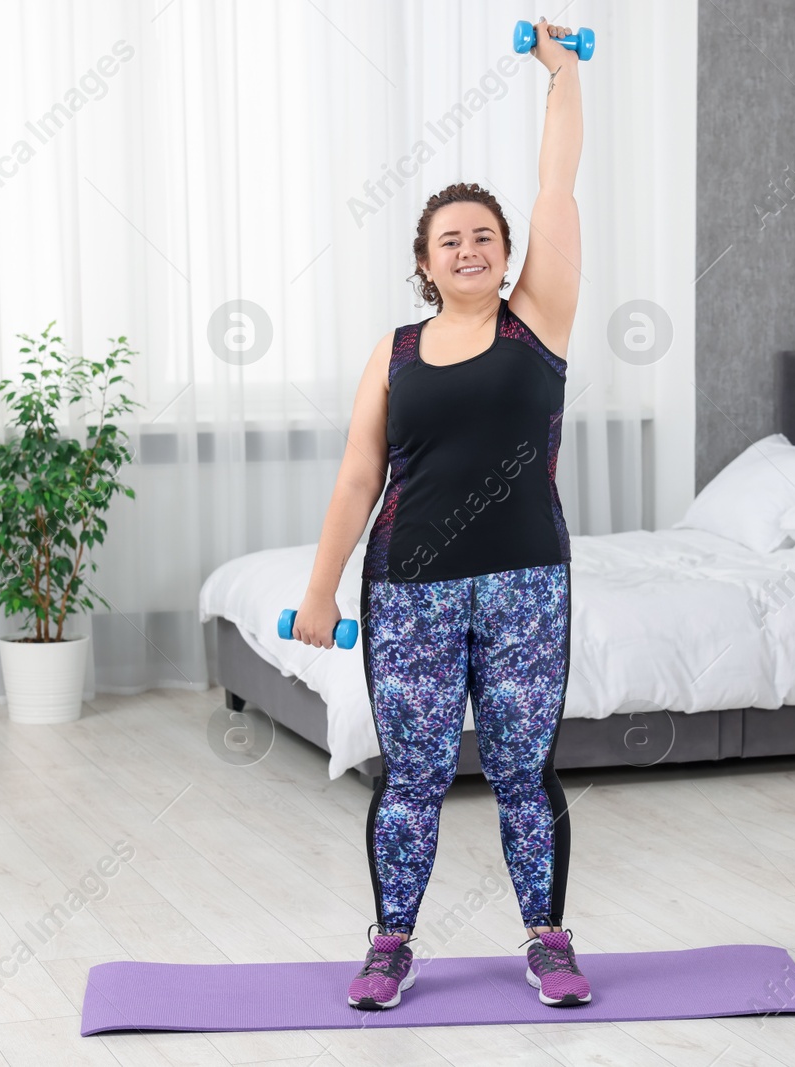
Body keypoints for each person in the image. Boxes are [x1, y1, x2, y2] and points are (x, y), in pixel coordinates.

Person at [290, 18, 587, 1010]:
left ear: (506, 256)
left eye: (483, 236)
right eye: (448, 238)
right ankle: (389, 944)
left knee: (520, 769)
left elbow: (556, 187)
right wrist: (320, 588)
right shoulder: (396, 351)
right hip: (408, 589)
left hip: (526, 585)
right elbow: (354, 477)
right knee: (409, 776)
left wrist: (561, 75)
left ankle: (546, 937)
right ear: (424, 261)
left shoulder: (536, 322)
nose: (468, 247)